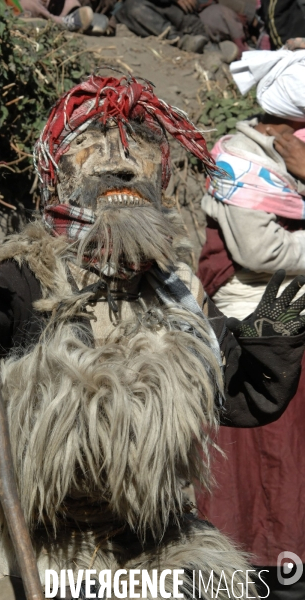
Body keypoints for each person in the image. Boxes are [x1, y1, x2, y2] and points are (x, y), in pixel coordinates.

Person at [0, 74, 305, 600]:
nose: (118, 161)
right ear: (56, 175)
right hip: (36, 545)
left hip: (152, 543)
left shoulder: (175, 292)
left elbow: (230, 394)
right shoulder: (25, 279)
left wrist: (266, 352)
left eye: (135, 145)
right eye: (90, 145)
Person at [197, 49, 305, 599]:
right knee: (259, 462)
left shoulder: (290, 164)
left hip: (289, 322)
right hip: (255, 336)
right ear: (291, 125)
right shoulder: (240, 161)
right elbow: (260, 250)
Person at [115, 0, 247, 60]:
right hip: (149, 12)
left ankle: (213, 48)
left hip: (185, 16)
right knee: (132, 8)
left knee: (214, 17)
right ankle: (181, 41)